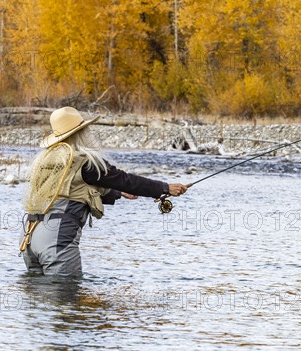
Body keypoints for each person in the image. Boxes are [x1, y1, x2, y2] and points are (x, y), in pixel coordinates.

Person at [19, 106, 188, 277]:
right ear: (81, 133)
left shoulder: (47, 160)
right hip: (56, 239)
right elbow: (125, 180)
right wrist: (165, 188)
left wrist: (118, 193)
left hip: (29, 236)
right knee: (66, 297)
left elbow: (74, 189)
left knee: (38, 298)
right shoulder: (85, 162)